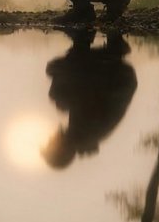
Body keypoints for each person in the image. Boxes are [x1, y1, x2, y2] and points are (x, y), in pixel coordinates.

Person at [41, 30, 137, 169]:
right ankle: (109, 51)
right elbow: (89, 101)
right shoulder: (83, 135)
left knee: (59, 82)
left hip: (116, 79)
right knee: (57, 75)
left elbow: (85, 100)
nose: (50, 139)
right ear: (60, 149)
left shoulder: (80, 137)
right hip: (117, 78)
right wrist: (64, 100)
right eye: (50, 144)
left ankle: (101, 49)